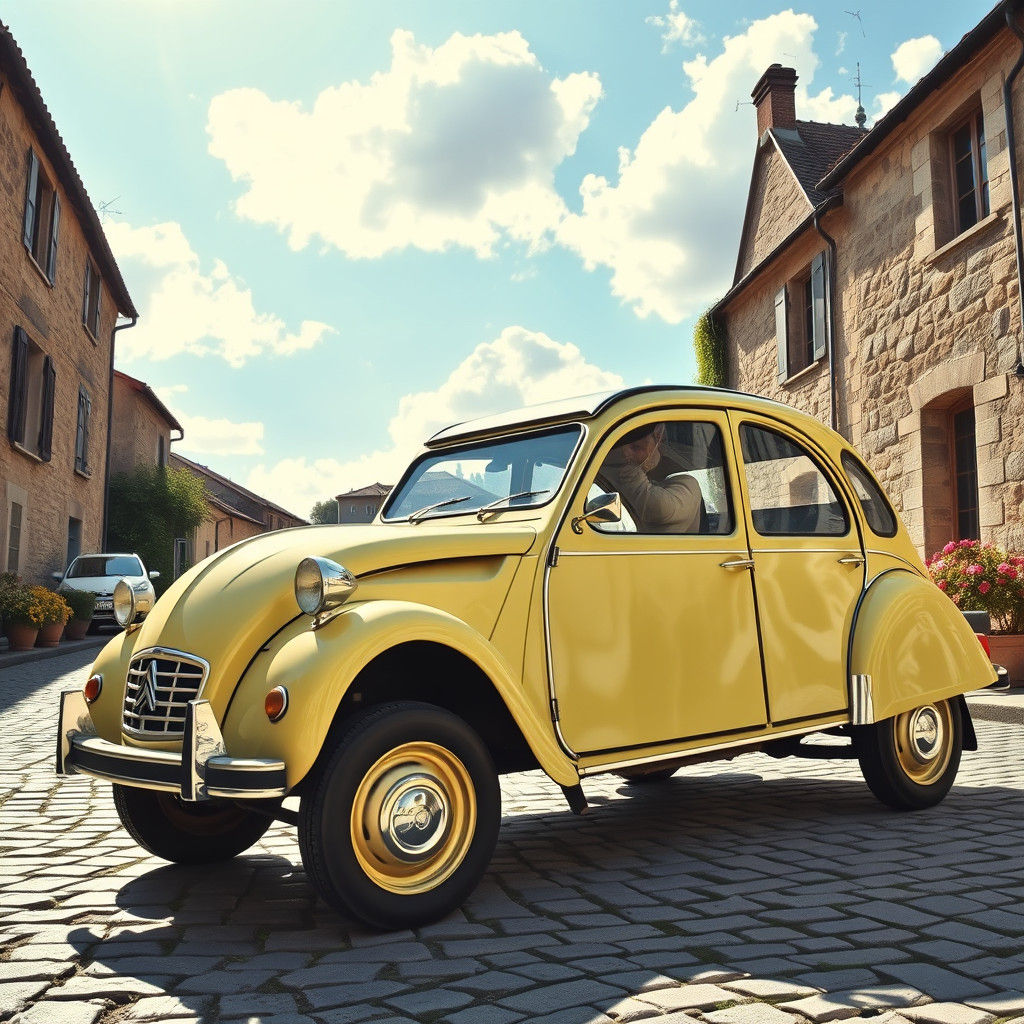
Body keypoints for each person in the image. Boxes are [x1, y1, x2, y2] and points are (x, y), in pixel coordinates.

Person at [598, 422, 703, 534]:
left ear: (658, 436)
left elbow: (657, 508)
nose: (626, 454)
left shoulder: (689, 485)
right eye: (620, 448)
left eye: (636, 447)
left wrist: (610, 463)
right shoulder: (627, 485)